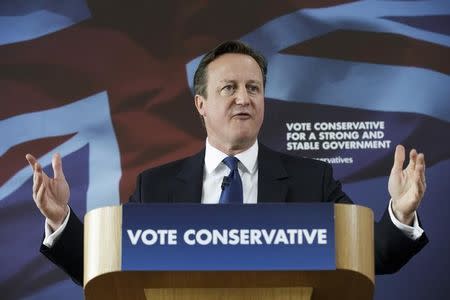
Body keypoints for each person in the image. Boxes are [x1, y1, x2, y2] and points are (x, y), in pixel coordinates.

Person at [26, 40, 428, 286]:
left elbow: (372, 257)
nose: (244, 98)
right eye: (229, 88)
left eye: (254, 88)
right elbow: (103, 266)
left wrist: (400, 213)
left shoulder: (312, 180)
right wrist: (62, 220)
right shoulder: (157, 187)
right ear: (200, 104)